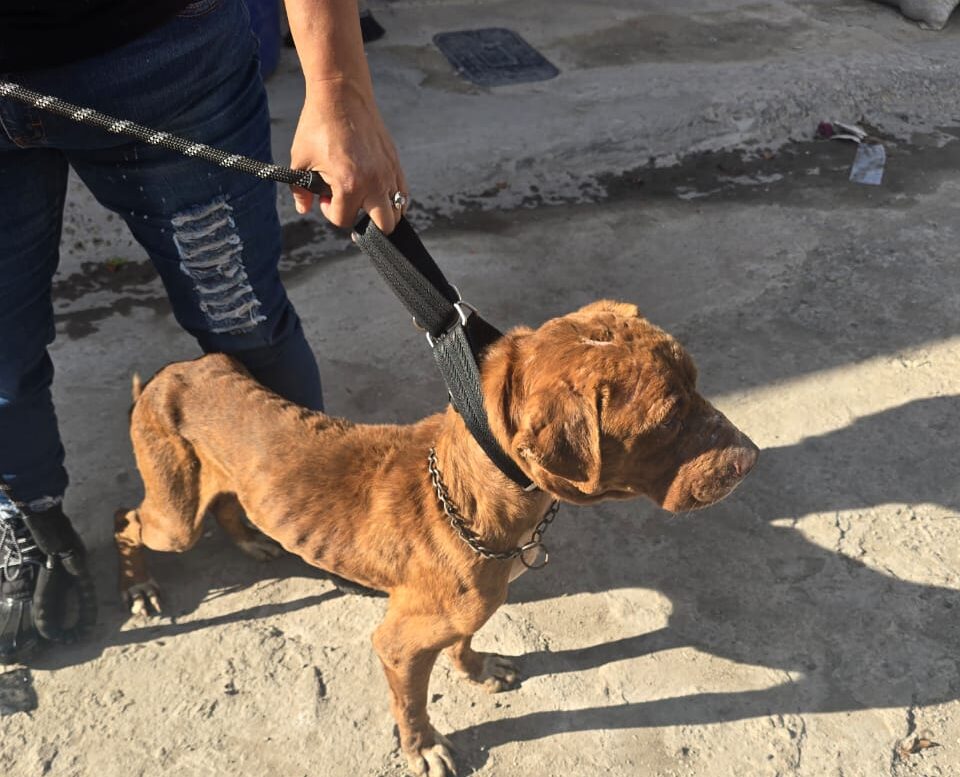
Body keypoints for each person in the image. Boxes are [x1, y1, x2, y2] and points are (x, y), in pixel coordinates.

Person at [0, 0, 408, 661]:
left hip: (163, 53)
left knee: (247, 327)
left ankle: (300, 493)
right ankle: (29, 513)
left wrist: (338, 85)